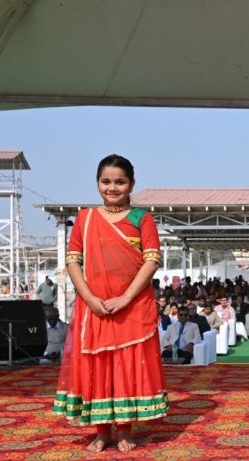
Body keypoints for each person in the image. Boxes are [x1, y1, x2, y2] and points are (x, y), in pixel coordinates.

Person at [53, 155, 167, 453]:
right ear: (97, 183)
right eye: (106, 181)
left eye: (120, 182)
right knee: (97, 367)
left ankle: (126, 429)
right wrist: (89, 298)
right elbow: (73, 261)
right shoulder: (85, 219)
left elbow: (152, 260)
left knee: (126, 367)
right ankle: (102, 431)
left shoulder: (141, 218)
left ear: (132, 184)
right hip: (95, 307)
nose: (112, 188)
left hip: (131, 305)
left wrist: (126, 297)